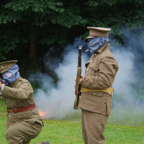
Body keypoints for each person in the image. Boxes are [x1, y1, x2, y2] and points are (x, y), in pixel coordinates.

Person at [78, 27, 119, 144]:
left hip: (97, 105)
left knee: (94, 141)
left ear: (101, 40)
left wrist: (84, 80)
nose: (89, 42)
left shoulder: (106, 57)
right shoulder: (97, 56)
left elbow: (105, 81)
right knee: (88, 140)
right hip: (90, 103)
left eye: (92, 39)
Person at [0, 60, 46, 144]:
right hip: (13, 121)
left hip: (30, 122)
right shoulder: (7, 86)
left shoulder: (24, 83)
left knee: (12, 133)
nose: (5, 76)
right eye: (3, 74)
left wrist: (2, 88)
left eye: (7, 73)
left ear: (14, 72)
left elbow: (21, 94)